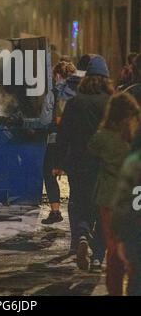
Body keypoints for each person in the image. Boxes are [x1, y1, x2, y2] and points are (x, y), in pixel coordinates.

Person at [53, 55, 113, 271]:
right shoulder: (112, 103)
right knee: (102, 210)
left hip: (78, 164)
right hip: (105, 166)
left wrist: (57, 162)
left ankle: (81, 237)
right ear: (106, 78)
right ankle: (98, 257)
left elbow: (63, 135)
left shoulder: (75, 102)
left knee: (80, 203)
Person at [88, 93, 140, 295]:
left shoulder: (104, 136)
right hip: (135, 197)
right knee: (135, 245)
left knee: (113, 248)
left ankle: (115, 291)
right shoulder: (133, 139)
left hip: (109, 197)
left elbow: (91, 148)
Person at [40, 61, 77, 224]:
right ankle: (77, 210)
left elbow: (45, 120)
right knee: (74, 176)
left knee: (48, 172)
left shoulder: (53, 93)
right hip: (75, 141)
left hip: (55, 139)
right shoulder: (80, 92)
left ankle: (55, 211)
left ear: (57, 75)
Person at [112, 150, 141, 296]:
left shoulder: (134, 163)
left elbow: (122, 205)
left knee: (136, 282)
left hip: (136, 234)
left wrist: (121, 237)